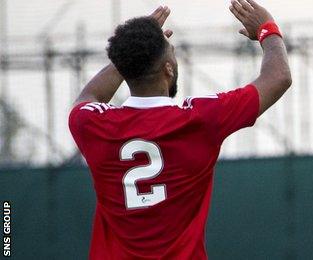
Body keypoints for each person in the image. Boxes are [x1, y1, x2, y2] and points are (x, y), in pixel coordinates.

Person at [68, 1, 291, 259]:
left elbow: (90, 95)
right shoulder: (200, 119)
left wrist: (132, 53)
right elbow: (278, 77)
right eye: (171, 52)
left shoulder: (93, 125)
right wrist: (267, 29)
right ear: (168, 69)